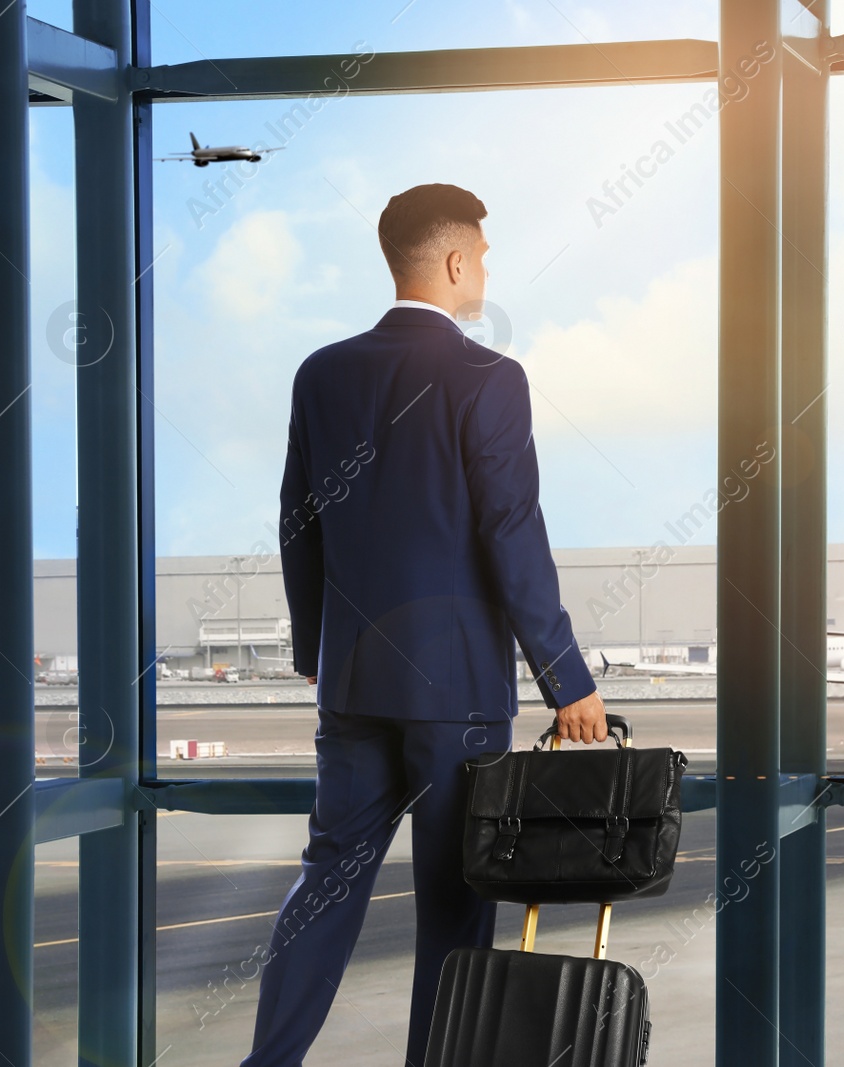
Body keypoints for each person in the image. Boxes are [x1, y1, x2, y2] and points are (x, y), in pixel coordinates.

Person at [241, 182, 607, 1066]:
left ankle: (267, 1062)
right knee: (454, 902)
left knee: (325, 885)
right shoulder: (490, 377)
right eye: (481, 253)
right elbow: (512, 533)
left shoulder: (321, 371)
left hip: (354, 679)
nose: (486, 266)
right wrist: (569, 678)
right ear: (451, 263)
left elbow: (298, 521)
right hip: (458, 694)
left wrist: (310, 647)